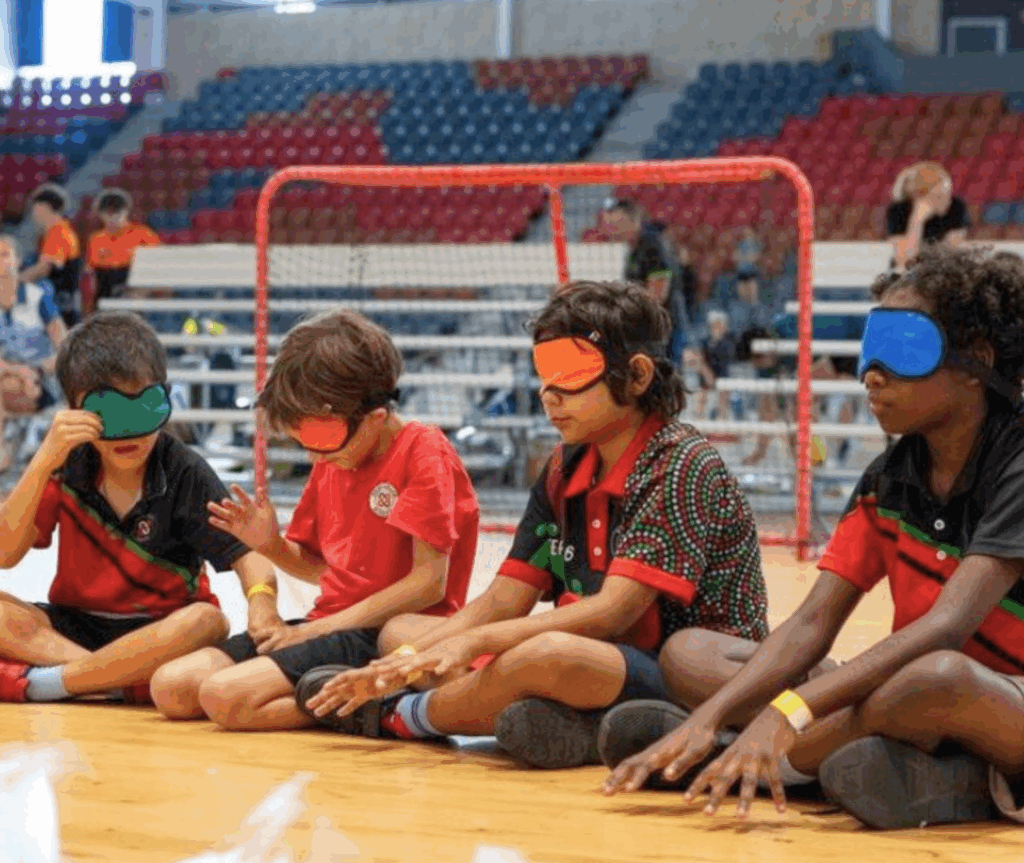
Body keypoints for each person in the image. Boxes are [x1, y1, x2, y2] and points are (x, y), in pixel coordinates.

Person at [600, 247, 1024, 830]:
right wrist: (717, 710)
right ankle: (921, 774)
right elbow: (810, 625)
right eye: (870, 349)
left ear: (978, 359)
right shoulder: (891, 475)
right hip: (900, 695)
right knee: (691, 653)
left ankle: (752, 758)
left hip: (988, 695)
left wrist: (786, 712)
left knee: (936, 678)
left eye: (903, 349)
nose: (871, 373)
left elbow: (947, 627)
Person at [292, 280, 769, 770]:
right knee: (402, 632)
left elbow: (611, 613)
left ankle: (404, 716)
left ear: (638, 375)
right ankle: (586, 727)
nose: (548, 393)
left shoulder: (679, 463)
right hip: (600, 658)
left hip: (683, 668)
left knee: (544, 654)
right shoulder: (564, 467)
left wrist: (464, 648)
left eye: (569, 374)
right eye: (543, 374)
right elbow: (504, 599)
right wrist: (407, 658)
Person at [148, 310, 480, 731]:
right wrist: (269, 545)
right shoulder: (336, 455)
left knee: (226, 697)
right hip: (329, 624)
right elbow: (321, 569)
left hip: (380, 632)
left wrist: (315, 630)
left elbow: (428, 583)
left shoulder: (423, 451)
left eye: (321, 439)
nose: (313, 456)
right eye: (304, 439)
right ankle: (339, 695)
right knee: (172, 687)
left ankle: (375, 703)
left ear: (374, 417)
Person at [0, 311, 279, 704]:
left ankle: (55, 683)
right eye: (110, 414)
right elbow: (6, 554)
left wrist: (263, 607)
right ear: (75, 410)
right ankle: (114, 681)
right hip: (73, 626)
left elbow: (249, 557)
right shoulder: (64, 462)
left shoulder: (184, 469)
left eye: (141, 410)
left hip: (160, 629)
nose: (128, 433)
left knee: (207, 621)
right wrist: (43, 459)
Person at [0, 235, 67, 471]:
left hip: (42, 382)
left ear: (18, 261)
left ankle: (7, 450)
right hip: (13, 379)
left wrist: (36, 370)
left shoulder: (38, 297)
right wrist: (19, 371)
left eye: (4, 255)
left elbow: (65, 349)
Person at [603, 201, 689, 366]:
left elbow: (658, 295)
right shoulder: (635, 247)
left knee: (663, 378)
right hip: (653, 328)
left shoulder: (651, 244)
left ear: (634, 221)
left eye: (617, 224)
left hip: (663, 330)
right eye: (610, 224)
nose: (612, 230)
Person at [85, 189, 161, 313]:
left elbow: (157, 270)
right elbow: (91, 275)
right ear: (101, 214)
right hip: (105, 288)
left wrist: (141, 293)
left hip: (133, 290)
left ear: (126, 211)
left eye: (117, 212)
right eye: (108, 213)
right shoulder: (96, 239)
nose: (112, 218)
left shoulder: (143, 235)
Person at [19, 184, 82, 328]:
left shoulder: (58, 233)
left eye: (35, 208)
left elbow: (43, 269)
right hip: (63, 304)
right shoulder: (56, 232)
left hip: (61, 308)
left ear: (44, 207)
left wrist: (14, 281)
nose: (33, 213)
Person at [887, 162, 968, 270]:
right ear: (920, 198)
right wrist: (917, 221)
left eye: (948, 194)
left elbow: (952, 250)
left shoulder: (956, 206)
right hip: (910, 269)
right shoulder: (898, 210)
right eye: (939, 197)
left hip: (941, 268)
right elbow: (904, 260)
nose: (947, 201)